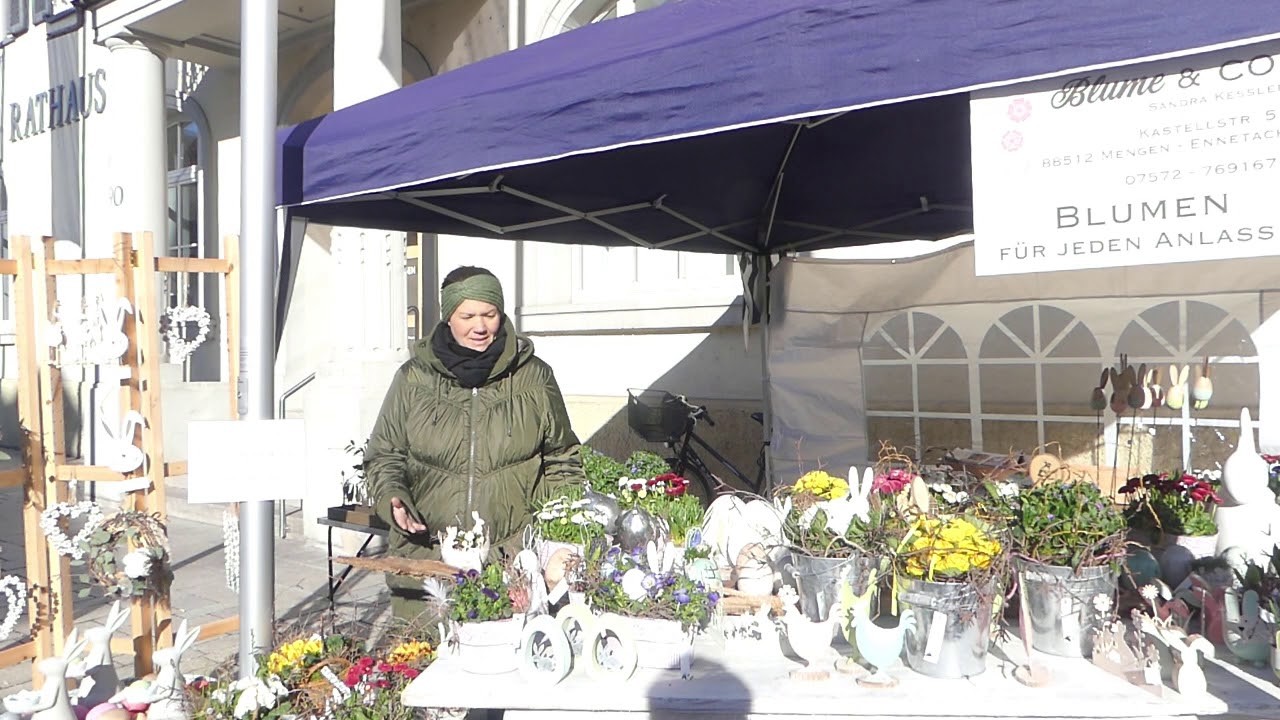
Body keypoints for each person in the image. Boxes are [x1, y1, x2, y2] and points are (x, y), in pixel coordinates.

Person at [364, 266, 586, 621]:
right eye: (467, 315)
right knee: (425, 668)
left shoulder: (534, 378)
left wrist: (560, 532)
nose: (480, 327)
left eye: (490, 314)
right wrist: (393, 495)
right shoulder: (412, 379)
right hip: (428, 564)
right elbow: (384, 455)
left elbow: (562, 459)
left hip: (510, 564)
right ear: (448, 317)